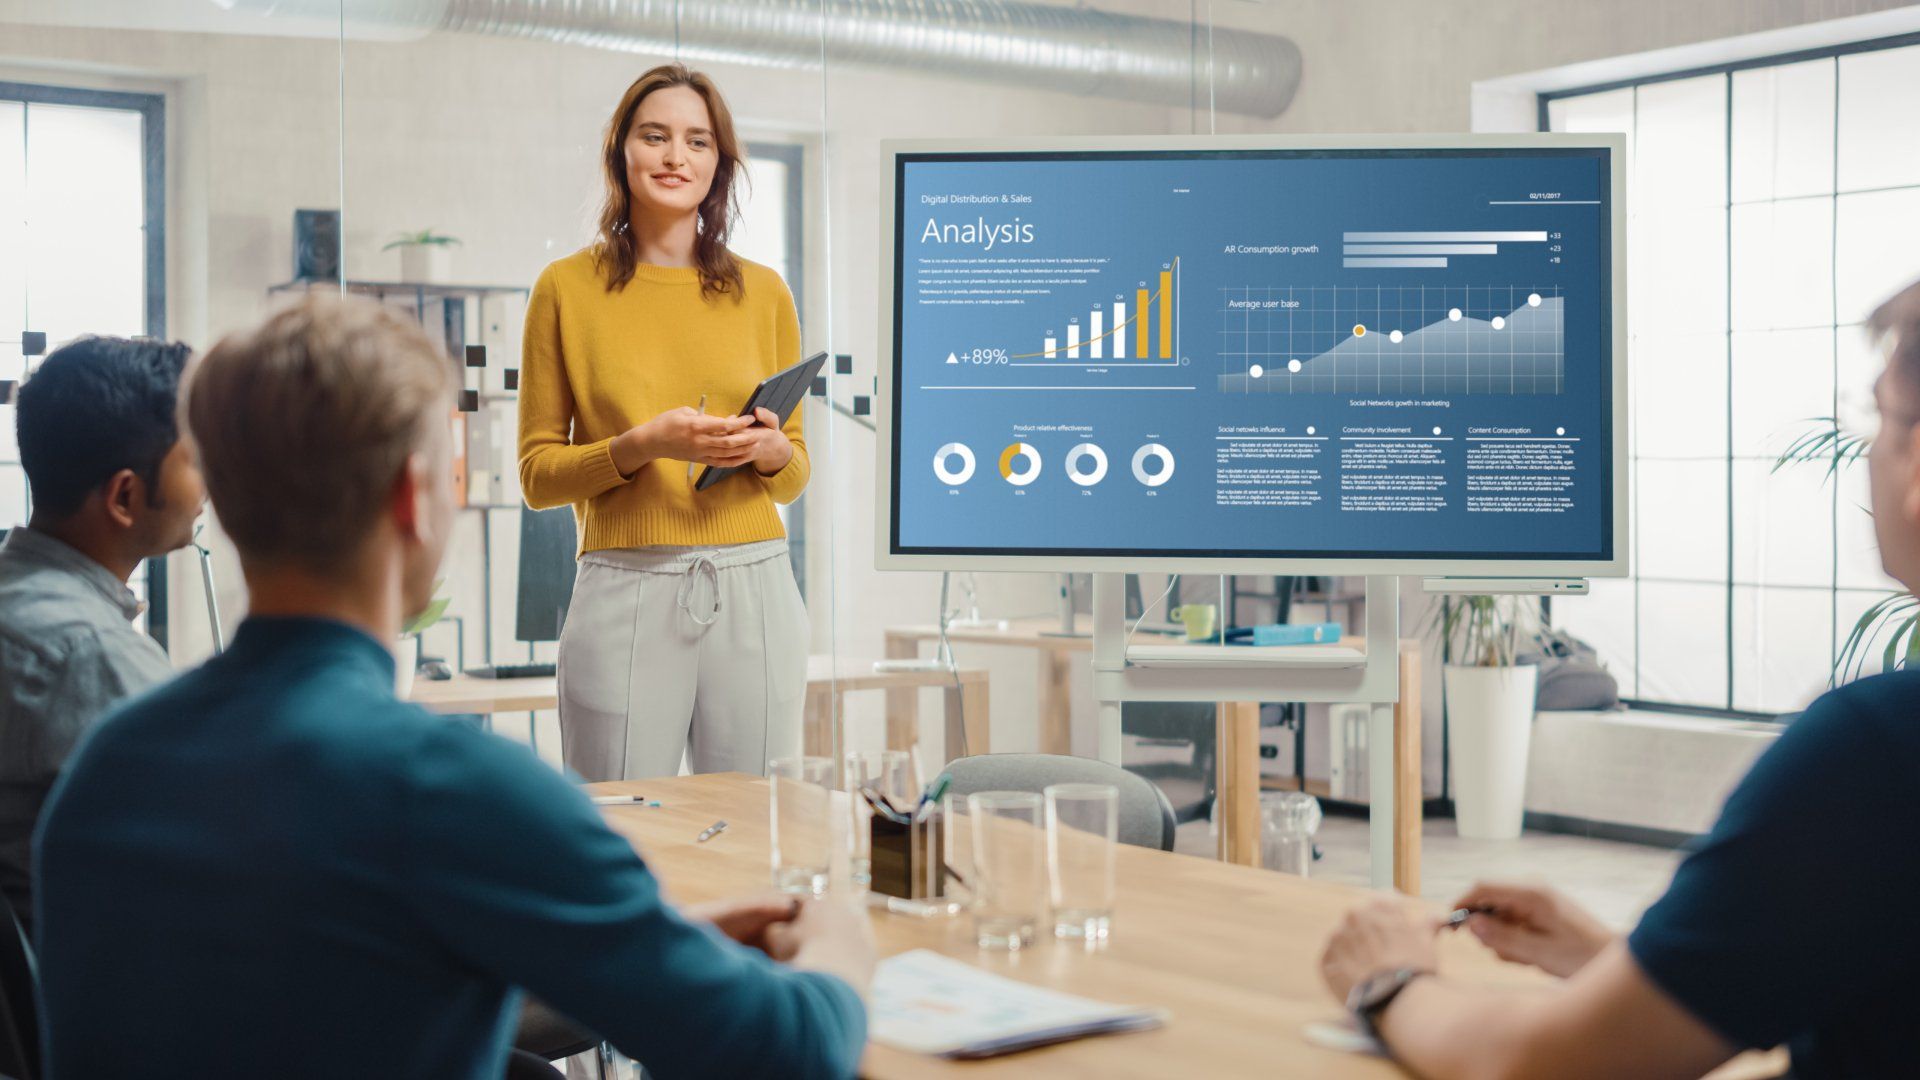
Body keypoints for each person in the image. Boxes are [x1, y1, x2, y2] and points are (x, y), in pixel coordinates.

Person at [35, 295, 872, 1079]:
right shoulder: (456, 789)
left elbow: (317, 988)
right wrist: (840, 942)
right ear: (414, 497)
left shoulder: (108, 767)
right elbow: (789, 1049)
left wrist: (654, 942)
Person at [1319, 281, 1920, 1080]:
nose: (1869, 451)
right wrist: (1626, 961)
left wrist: (1390, 980)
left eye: (1882, 417)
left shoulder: (1882, 750)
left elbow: (1540, 1066)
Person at [518, 63, 811, 783]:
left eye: (697, 141)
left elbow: (793, 474)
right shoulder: (564, 288)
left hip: (756, 583)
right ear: (621, 151)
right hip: (625, 583)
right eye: (655, 136)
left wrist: (769, 449)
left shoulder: (765, 292)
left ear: (719, 162)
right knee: (620, 819)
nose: (676, 156)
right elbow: (537, 476)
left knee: (755, 821)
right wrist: (643, 444)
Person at [0, 335, 202, 935]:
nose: (209, 487)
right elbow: (203, 861)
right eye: (196, 462)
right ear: (125, 496)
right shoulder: (88, 656)